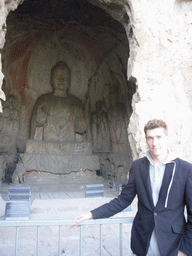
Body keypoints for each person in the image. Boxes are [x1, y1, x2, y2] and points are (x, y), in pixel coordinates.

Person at [77, 119, 192, 256]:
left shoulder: (185, 169)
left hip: (173, 246)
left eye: (158, 137)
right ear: (146, 139)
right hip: (143, 244)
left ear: (167, 137)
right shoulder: (138, 167)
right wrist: (92, 214)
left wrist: (184, 251)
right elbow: (123, 200)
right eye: (150, 138)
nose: (154, 143)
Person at [30, 61, 84, 142]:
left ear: (69, 81)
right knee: (32, 146)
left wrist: (80, 125)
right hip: (47, 143)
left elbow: (82, 130)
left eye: (65, 77)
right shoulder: (43, 100)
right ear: (51, 80)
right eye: (57, 76)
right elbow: (35, 127)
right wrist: (40, 119)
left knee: (86, 147)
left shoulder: (76, 102)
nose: (61, 79)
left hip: (70, 144)